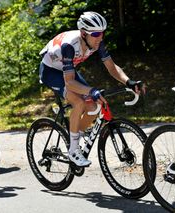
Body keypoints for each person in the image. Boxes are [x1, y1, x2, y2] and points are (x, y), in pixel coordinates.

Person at [39, 11, 145, 167]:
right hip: (51, 71)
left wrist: (128, 82)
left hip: (67, 69)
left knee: (93, 107)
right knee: (79, 103)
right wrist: (91, 91)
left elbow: (111, 67)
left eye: (102, 33)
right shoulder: (69, 46)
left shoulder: (96, 43)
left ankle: (74, 137)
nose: (100, 37)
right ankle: (73, 151)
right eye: (95, 34)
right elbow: (69, 83)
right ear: (83, 34)